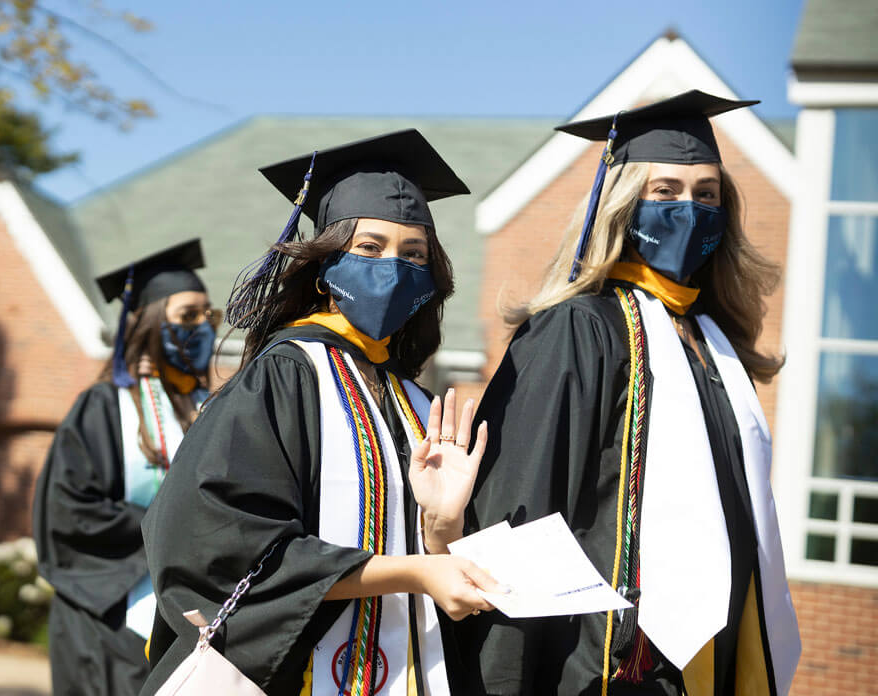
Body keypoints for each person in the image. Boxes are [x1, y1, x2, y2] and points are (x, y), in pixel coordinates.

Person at [454, 91, 800, 695]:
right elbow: (518, 512)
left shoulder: (711, 340)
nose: (689, 208)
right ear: (620, 205)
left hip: (709, 660)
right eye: (664, 191)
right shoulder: (579, 328)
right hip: (606, 663)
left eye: (707, 194)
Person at [141, 129, 503, 696]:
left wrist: (441, 529)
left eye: (414, 255)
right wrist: (416, 572)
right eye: (369, 248)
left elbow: (439, 570)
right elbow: (222, 543)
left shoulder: (415, 405)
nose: (395, 266)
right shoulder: (286, 375)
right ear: (324, 265)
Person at [34, 238, 217, 696]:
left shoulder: (213, 409)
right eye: (187, 317)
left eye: (207, 315)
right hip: (109, 616)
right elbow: (67, 510)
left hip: (186, 619)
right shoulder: (104, 407)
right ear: (153, 324)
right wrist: (169, 532)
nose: (204, 328)